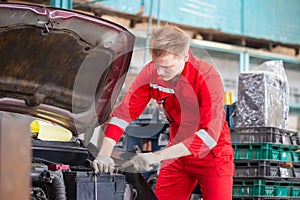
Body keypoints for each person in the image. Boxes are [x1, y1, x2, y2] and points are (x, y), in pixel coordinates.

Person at [93, 24, 235, 200]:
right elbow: (123, 115)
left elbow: (209, 136)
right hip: (177, 156)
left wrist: (156, 156)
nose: (159, 73)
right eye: (157, 65)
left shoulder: (207, 77)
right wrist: (104, 154)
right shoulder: (151, 73)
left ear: (185, 56)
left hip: (213, 156)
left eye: (167, 67)